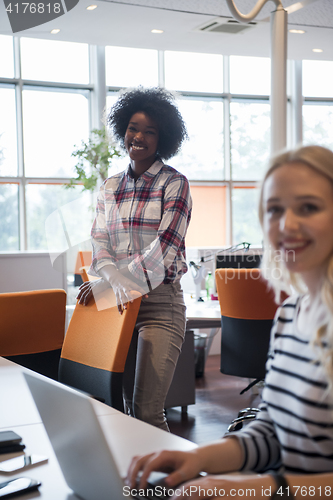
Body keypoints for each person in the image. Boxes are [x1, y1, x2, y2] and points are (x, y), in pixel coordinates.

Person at [126, 145, 333, 498]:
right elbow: (270, 431)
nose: (287, 224)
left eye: (309, 207)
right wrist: (195, 458)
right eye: (274, 210)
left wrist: (255, 490)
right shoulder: (290, 315)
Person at [76, 87, 192, 432]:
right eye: (132, 127)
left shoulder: (174, 184)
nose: (138, 137)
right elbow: (100, 241)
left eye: (149, 131)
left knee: (146, 413)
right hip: (117, 302)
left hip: (159, 304)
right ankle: (128, 484)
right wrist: (109, 281)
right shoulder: (110, 186)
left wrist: (113, 280)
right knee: (118, 412)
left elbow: (164, 247)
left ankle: (165, 488)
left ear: (163, 138)